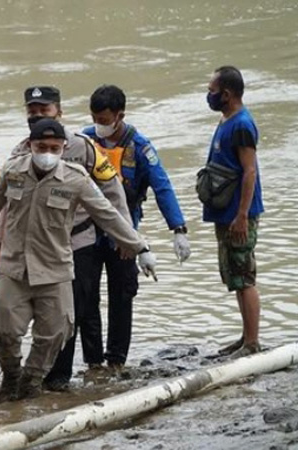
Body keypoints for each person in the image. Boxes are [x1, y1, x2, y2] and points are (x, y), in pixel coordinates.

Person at [0, 119, 155, 402]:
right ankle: (11, 377)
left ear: (63, 148)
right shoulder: (13, 171)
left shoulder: (76, 178)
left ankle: (31, 382)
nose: (47, 152)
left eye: (53, 148)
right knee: (1, 325)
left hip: (55, 269)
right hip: (15, 268)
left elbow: (106, 213)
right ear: (30, 146)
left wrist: (139, 247)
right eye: (41, 147)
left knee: (56, 332)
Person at [0, 86, 134, 391]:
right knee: (23, 312)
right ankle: (35, 375)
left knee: (70, 314)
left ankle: (59, 378)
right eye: (32, 112)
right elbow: (8, 201)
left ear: (59, 111)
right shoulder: (20, 152)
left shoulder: (84, 148)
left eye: (43, 111)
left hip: (78, 242)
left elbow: (111, 192)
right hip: (33, 248)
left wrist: (128, 238)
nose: (36, 116)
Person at [82, 84, 191, 371]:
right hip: (88, 232)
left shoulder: (140, 147)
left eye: (104, 120)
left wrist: (178, 229)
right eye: (95, 119)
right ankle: (93, 361)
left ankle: (116, 360)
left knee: (122, 295)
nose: (99, 126)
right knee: (86, 296)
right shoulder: (85, 140)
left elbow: (162, 186)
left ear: (120, 116)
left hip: (125, 232)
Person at [202, 66, 264, 358]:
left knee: (244, 274)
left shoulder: (241, 124)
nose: (209, 95)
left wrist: (242, 215)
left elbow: (249, 171)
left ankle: (252, 342)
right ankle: (245, 337)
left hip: (239, 214)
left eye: (212, 91)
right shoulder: (227, 120)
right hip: (226, 213)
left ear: (226, 94)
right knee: (235, 277)